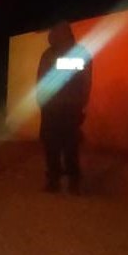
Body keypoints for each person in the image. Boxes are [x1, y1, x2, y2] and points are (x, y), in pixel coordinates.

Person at [36, 21, 92, 194]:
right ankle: (69, 182)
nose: (51, 36)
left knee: (58, 145)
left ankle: (57, 181)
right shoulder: (80, 53)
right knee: (68, 145)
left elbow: (41, 79)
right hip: (68, 107)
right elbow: (86, 81)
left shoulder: (49, 54)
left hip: (57, 107)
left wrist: (41, 101)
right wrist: (82, 103)